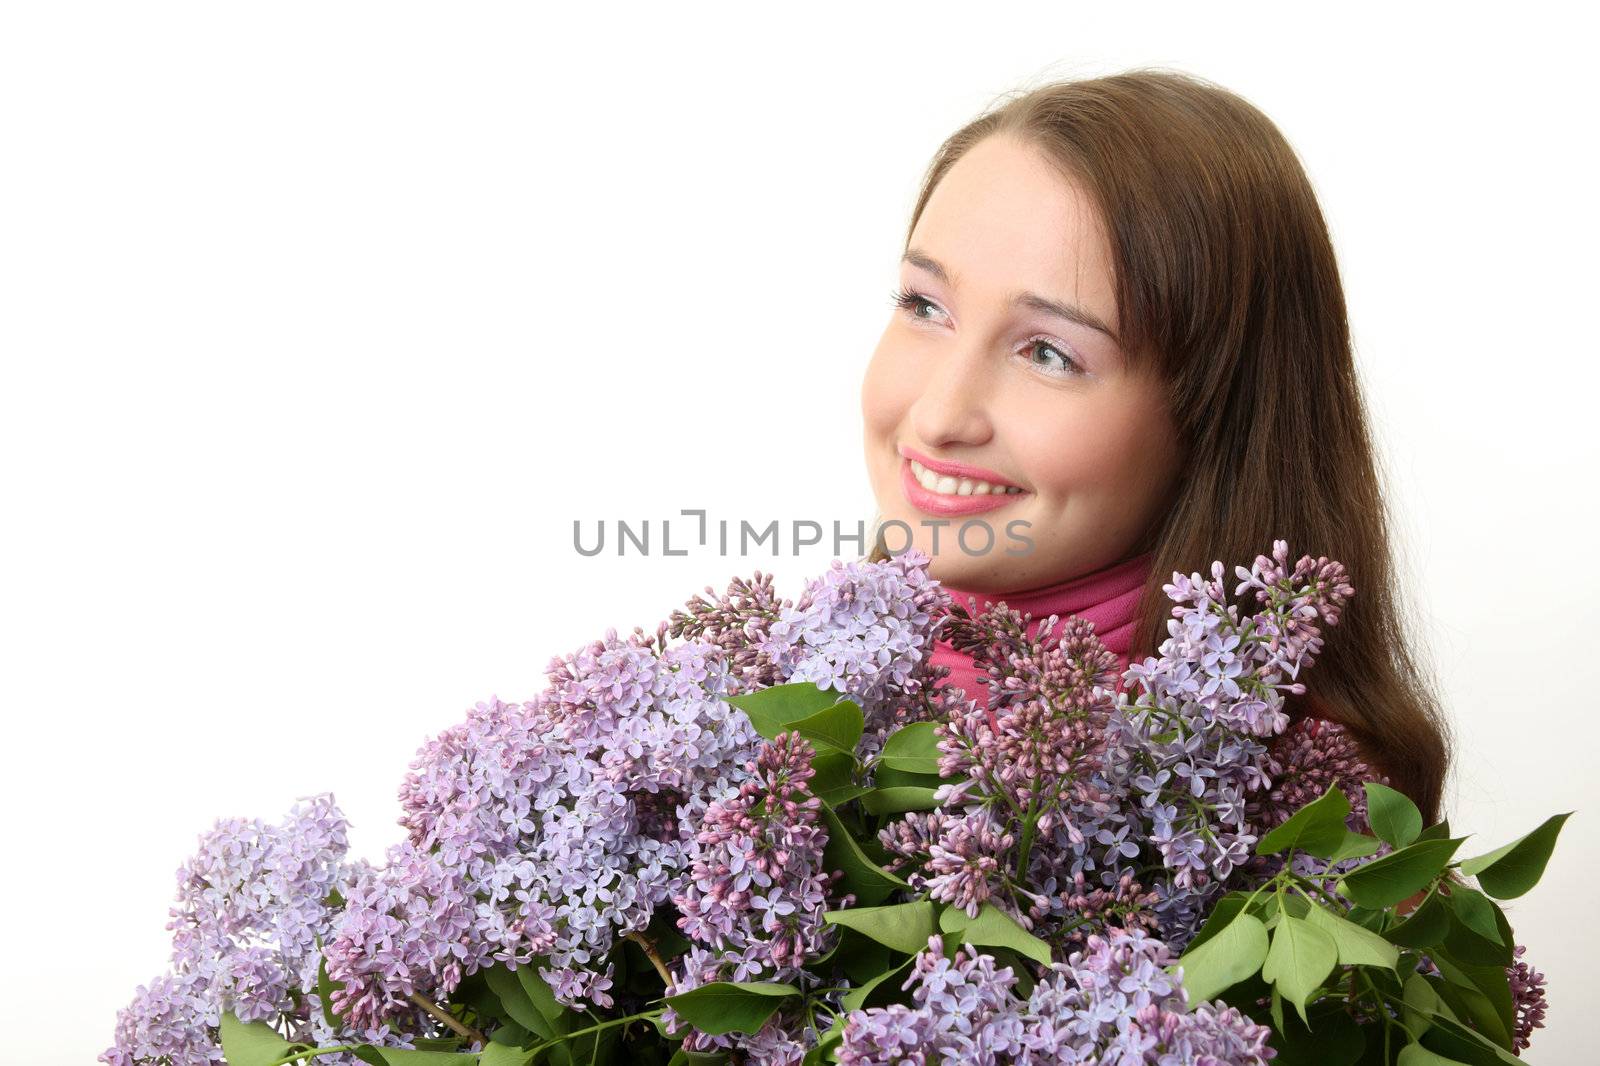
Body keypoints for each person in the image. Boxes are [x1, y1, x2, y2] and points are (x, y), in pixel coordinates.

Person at [860, 69, 1451, 821]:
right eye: (924, 305)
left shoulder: (1305, 847)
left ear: (1216, 420)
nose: (940, 414)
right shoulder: (787, 719)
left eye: (1048, 353)